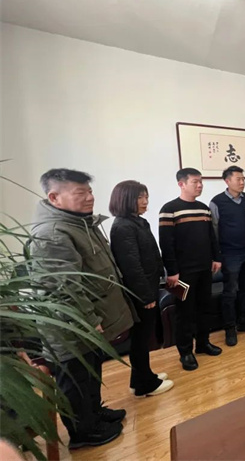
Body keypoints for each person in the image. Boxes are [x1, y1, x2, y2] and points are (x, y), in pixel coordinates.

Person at [30, 168, 136, 448]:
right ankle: (82, 433)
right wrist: (89, 320)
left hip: (90, 320)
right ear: (54, 197)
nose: (90, 197)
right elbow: (62, 289)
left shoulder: (80, 223)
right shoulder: (53, 234)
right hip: (71, 326)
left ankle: (94, 415)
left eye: (89, 191)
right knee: (75, 380)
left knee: (90, 373)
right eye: (80, 192)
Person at [109, 180, 174, 397]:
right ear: (126, 199)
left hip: (149, 286)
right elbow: (131, 267)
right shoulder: (123, 227)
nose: (145, 201)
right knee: (141, 338)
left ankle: (141, 378)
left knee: (144, 337)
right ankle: (144, 384)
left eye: (146, 196)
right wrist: (146, 297)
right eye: (140, 197)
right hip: (140, 292)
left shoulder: (137, 222)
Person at [159, 168, 222, 372]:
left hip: (205, 269)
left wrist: (216, 258)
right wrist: (172, 271)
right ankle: (185, 352)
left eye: (201, 181)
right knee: (184, 313)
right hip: (182, 273)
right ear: (181, 184)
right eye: (195, 182)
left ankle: (203, 343)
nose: (200, 185)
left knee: (205, 308)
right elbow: (166, 244)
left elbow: (212, 237)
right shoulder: (170, 209)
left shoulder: (204, 209)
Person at [210, 166, 245, 347]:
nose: (242, 182)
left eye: (243, 179)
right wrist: (217, 255)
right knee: (230, 292)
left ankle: (244, 321)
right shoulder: (217, 202)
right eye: (238, 179)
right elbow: (214, 230)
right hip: (229, 254)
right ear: (227, 181)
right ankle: (230, 328)